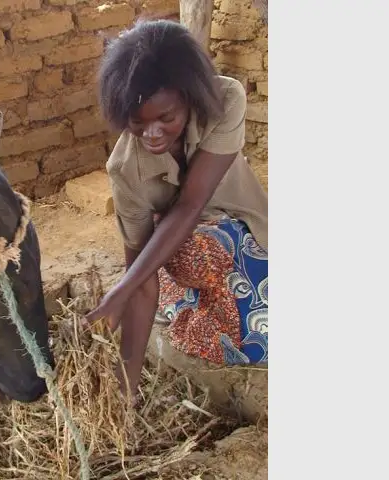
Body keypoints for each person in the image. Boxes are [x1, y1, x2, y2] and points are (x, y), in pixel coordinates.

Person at [84, 19, 268, 400]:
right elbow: (138, 270)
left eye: (166, 118)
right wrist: (124, 392)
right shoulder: (125, 171)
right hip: (189, 250)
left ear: (188, 98)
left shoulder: (225, 101)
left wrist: (120, 289)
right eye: (138, 123)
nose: (152, 133)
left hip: (249, 235)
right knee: (172, 263)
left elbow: (190, 204)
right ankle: (190, 297)